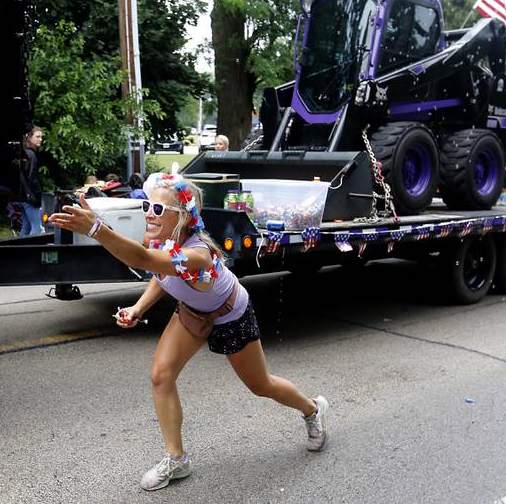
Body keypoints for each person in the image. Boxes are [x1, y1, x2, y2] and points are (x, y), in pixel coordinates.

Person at [49, 170, 329, 492]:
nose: (149, 215)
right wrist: (139, 308)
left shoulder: (198, 255)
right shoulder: (160, 241)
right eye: (146, 207)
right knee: (160, 375)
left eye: (158, 210)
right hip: (191, 314)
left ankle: (312, 409)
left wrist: (97, 229)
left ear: (182, 218)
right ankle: (177, 459)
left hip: (230, 316)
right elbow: (156, 267)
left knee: (260, 385)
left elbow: (143, 258)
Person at [18, 127, 44, 235]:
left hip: (22, 196)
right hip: (30, 197)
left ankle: (19, 251)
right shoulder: (30, 155)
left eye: (41, 137)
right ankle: (33, 250)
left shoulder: (23, 153)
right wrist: (33, 195)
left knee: (26, 226)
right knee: (36, 228)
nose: (41, 139)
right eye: (37, 136)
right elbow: (31, 178)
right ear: (28, 138)